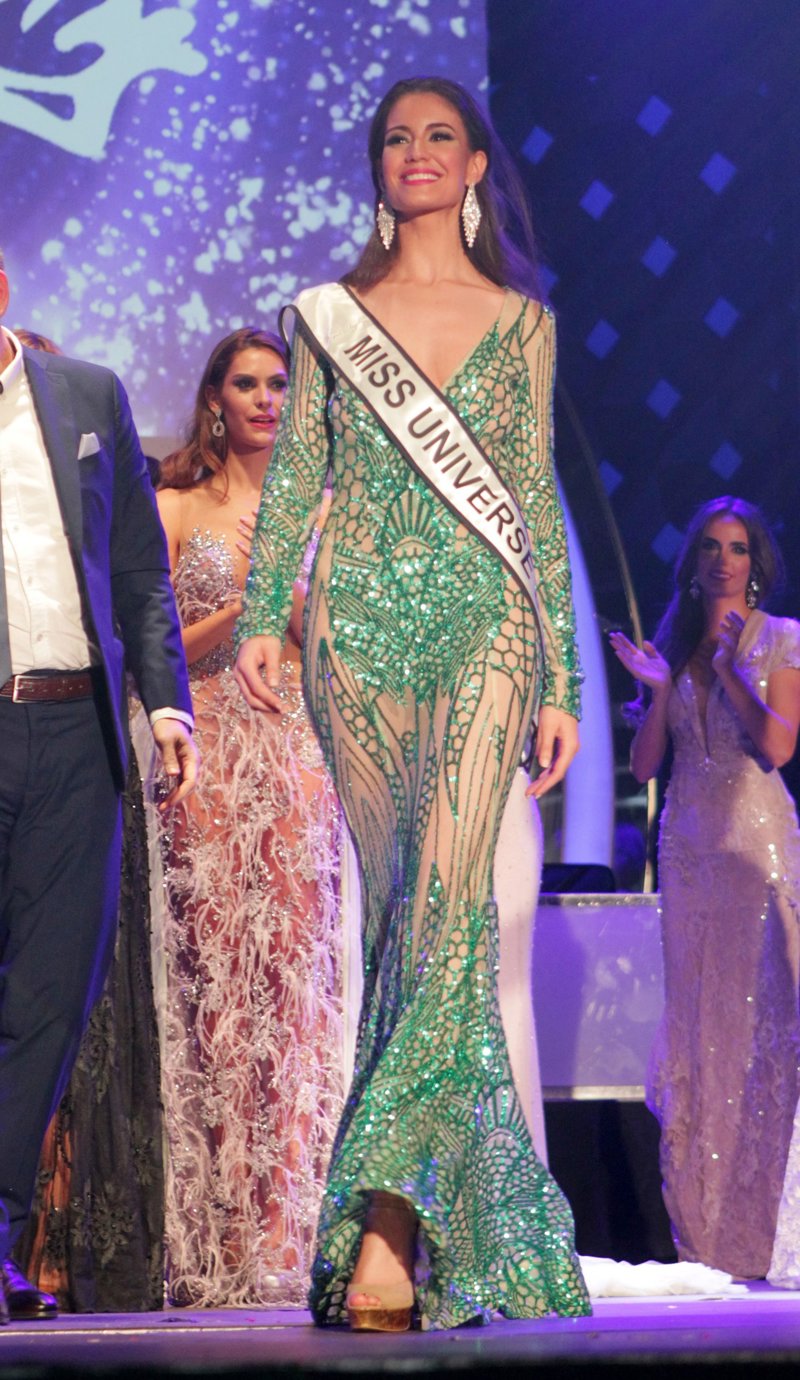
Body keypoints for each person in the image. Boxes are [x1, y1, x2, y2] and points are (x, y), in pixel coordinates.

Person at [235, 76, 589, 1331]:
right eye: (397, 139)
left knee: (448, 917)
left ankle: (386, 1232)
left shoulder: (522, 323)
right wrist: (267, 613)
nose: (418, 154)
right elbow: (298, 475)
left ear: (476, 165)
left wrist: (560, 676)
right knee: (402, 927)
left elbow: (528, 499)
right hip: (358, 630)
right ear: (377, 167)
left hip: (486, 626)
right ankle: (452, 1222)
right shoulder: (325, 317)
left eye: (440, 137)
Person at [0, 253, 197, 1324]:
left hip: (78, 730)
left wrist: (166, 705)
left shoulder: (85, 394)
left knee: (50, 998)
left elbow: (137, 569)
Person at [155, 327, 345, 1307]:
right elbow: (151, 649)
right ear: (214, 400)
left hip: (298, 754)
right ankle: (217, 1224)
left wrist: (306, 608)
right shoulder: (176, 506)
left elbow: (350, 648)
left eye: (280, 384)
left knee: (291, 988)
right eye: (247, 383)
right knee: (215, 989)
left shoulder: (327, 511)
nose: (267, 398)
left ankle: (286, 1224)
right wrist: (250, 604)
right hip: (207, 759)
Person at [610, 496, 800, 1279]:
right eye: (712, 547)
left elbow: (778, 746)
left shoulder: (780, 638)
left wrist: (728, 670)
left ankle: (766, 1228)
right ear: (692, 564)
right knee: (699, 1027)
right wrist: (661, 691)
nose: (725, 560)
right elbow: (643, 768)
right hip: (689, 853)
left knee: (764, 1024)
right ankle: (707, 1233)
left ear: (757, 564)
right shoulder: (673, 643)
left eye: (739, 547)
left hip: (757, 847)